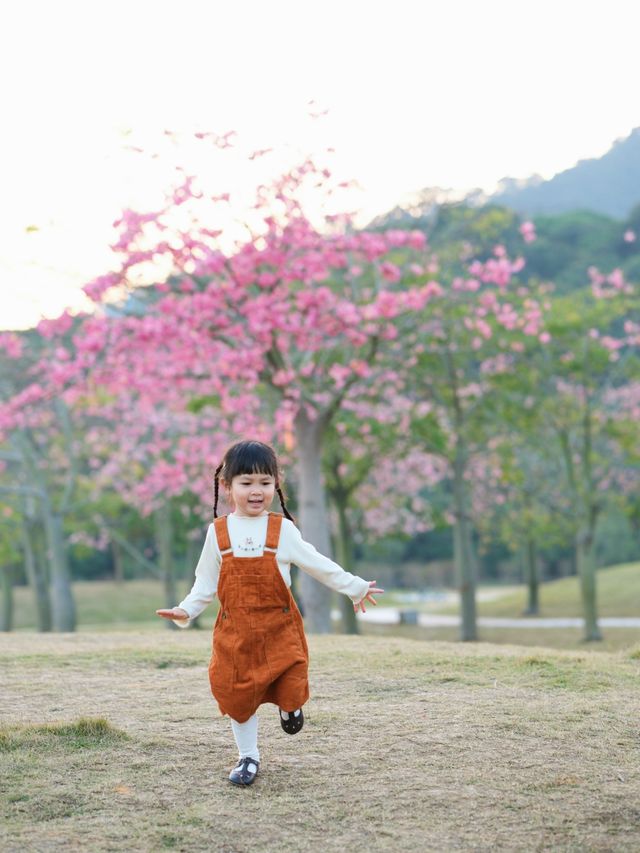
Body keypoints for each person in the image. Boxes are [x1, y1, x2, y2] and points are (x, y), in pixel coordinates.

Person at [156, 439, 383, 786]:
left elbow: (318, 564)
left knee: (290, 680)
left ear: (275, 484)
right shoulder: (218, 533)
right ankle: (248, 757)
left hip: (279, 629)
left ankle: (290, 706)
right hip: (236, 635)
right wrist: (185, 610)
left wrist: (355, 587)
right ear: (227, 486)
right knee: (237, 694)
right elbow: (205, 583)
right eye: (246, 483)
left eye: (265, 482)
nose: (256, 491)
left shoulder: (283, 530)